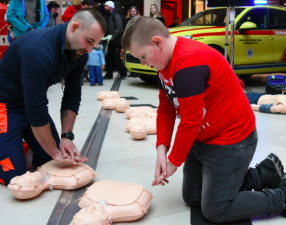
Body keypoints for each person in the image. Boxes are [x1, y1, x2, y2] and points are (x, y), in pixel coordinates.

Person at [122, 16, 286, 223]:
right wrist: (162, 149)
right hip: (202, 139)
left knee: (215, 210)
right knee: (192, 197)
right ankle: (262, 174)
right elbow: (166, 109)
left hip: (232, 141)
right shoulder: (165, 64)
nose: (144, 63)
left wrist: (173, 162)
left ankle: (279, 198)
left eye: (143, 56)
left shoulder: (188, 63)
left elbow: (191, 120)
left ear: (157, 43)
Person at [0, 9, 107, 186]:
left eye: (95, 44)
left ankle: (9, 145)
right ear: (74, 27)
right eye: (89, 41)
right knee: (15, 177)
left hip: (31, 105)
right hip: (4, 105)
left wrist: (67, 137)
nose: (89, 49)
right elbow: (36, 110)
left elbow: (72, 95)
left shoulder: (79, 53)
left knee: (48, 162)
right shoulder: (38, 50)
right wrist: (55, 151)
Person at [103, 1, 127, 79]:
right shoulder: (106, 16)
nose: (105, 7)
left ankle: (123, 73)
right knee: (108, 58)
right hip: (108, 41)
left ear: (111, 7)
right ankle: (109, 74)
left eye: (106, 6)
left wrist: (112, 36)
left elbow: (119, 29)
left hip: (115, 41)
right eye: (105, 6)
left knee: (116, 58)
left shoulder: (116, 16)